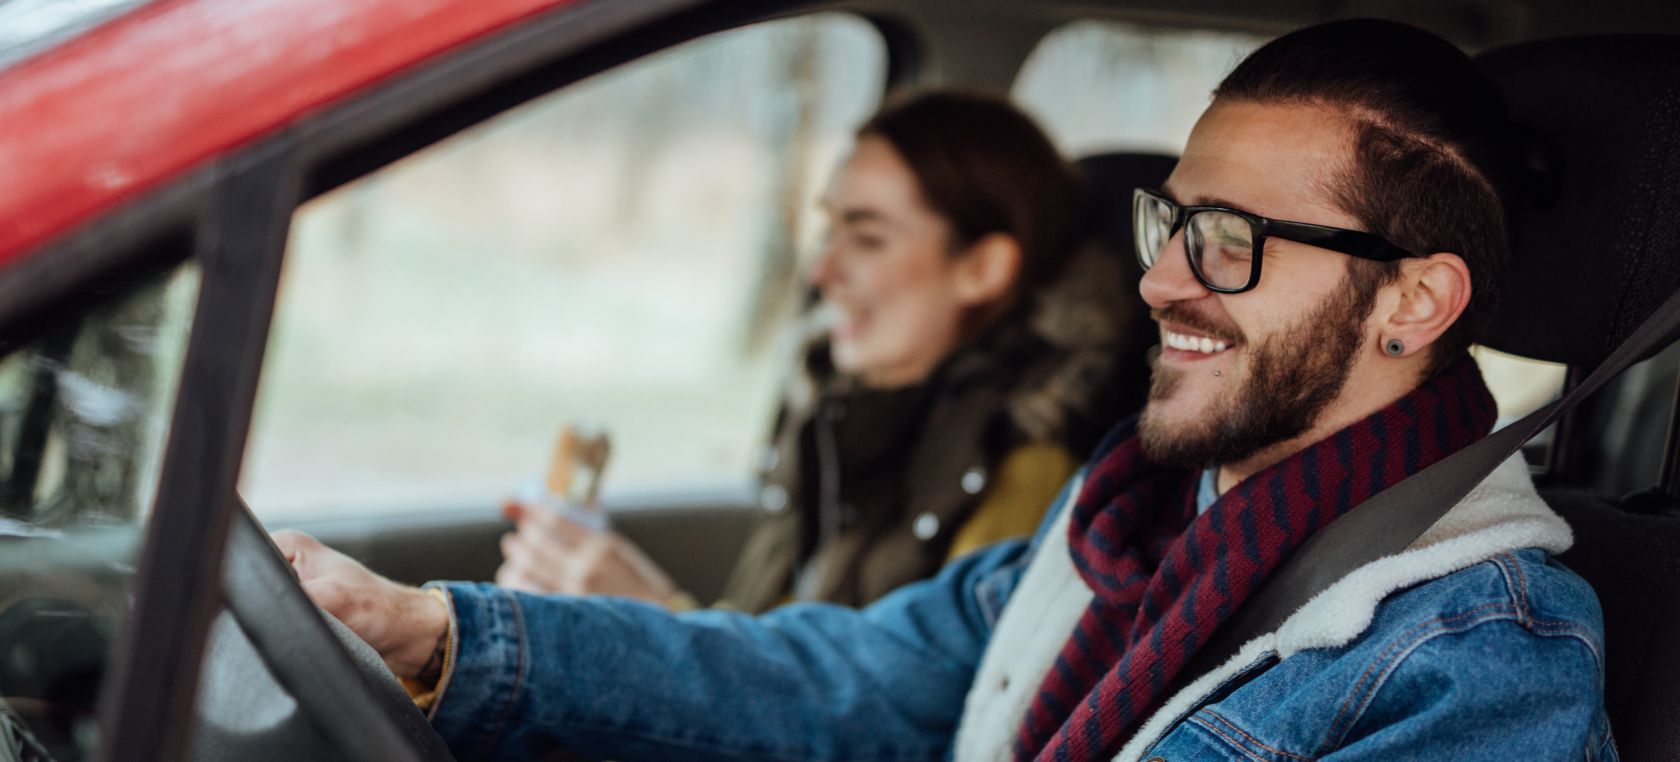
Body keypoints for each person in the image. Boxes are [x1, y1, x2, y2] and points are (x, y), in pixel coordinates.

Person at [274, 19, 1614, 761]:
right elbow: (853, 675)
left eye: (1234, 243)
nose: (1161, 285)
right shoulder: (1130, 510)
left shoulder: (1480, 660)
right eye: (1173, 223)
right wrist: (440, 634)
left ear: (1414, 300)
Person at [493, 92, 1150, 612]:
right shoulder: (836, 419)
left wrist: (654, 617)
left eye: (866, 240)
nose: (821, 271)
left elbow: (905, 725)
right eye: (827, 229)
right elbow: (770, 638)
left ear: (982, 267)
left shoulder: (1029, 474)